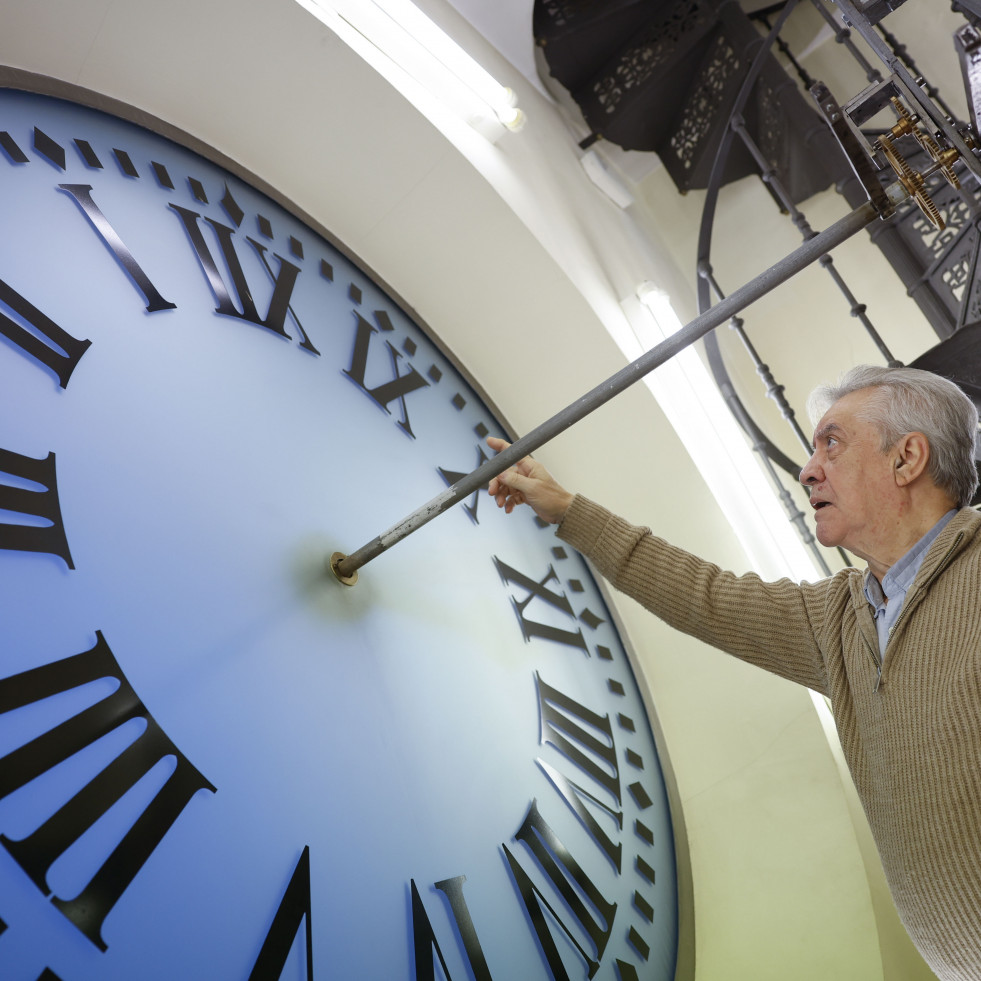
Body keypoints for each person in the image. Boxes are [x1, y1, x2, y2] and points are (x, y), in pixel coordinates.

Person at [487, 364, 981, 981]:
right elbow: (704, 596)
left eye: (832, 442)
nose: (807, 470)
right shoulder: (839, 619)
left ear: (907, 458)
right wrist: (563, 507)